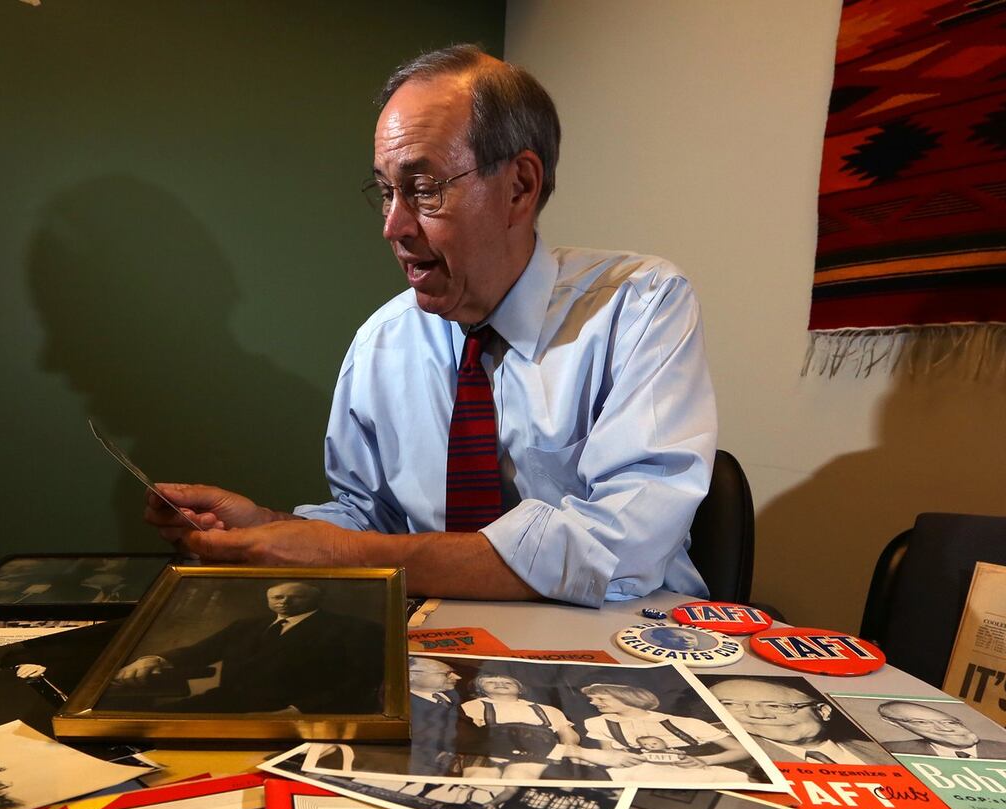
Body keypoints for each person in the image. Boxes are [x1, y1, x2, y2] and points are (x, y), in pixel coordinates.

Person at [143, 46, 715, 609]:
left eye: (423, 189)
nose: (393, 226)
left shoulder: (639, 307)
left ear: (520, 185)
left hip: (621, 653)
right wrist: (265, 530)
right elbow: (368, 522)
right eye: (386, 191)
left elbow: (616, 545)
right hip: (434, 651)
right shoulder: (383, 341)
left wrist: (343, 555)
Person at [109, 581, 384, 714]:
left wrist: (300, 709)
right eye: (277, 596)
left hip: (291, 711)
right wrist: (153, 659)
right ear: (268, 599)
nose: (283, 602)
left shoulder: (351, 628)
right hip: (228, 702)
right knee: (150, 718)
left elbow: (361, 680)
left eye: (294, 597)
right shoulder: (246, 625)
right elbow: (200, 652)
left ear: (316, 598)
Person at [572, 683, 751, 783]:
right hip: (639, 773)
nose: (593, 703)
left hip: (695, 772)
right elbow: (610, 754)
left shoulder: (686, 723)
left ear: (627, 698)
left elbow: (742, 750)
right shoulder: (599, 723)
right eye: (591, 699)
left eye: (600, 698)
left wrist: (704, 760)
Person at [706, 677, 895, 766]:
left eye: (776, 706)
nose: (757, 715)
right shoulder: (731, 755)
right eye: (732, 704)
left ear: (824, 711)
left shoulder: (884, 752)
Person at [459, 673, 579, 778]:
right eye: (491, 681)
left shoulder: (547, 710)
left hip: (538, 751)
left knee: (522, 781)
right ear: (481, 690)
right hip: (490, 751)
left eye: (508, 682)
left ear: (521, 689)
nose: (500, 684)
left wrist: (568, 749)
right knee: (480, 779)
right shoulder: (473, 705)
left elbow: (566, 732)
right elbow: (470, 732)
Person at [873, 701, 1006, 761]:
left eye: (950, 721)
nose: (946, 728)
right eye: (923, 723)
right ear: (895, 724)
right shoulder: (887, 751)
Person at [408, 655, 463, 772]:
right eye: (446, 673)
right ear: (412, 675)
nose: (458, 677)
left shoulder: (456, 695)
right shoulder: (406, 705)